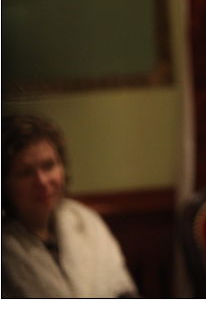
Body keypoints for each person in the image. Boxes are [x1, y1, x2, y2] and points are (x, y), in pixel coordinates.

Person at [1, 114, 138, 298]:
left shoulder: (85, 220)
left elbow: (122, 290)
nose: (42, 181)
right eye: (26, 173)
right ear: (5, 183)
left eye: (48, 166)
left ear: (62, 167)